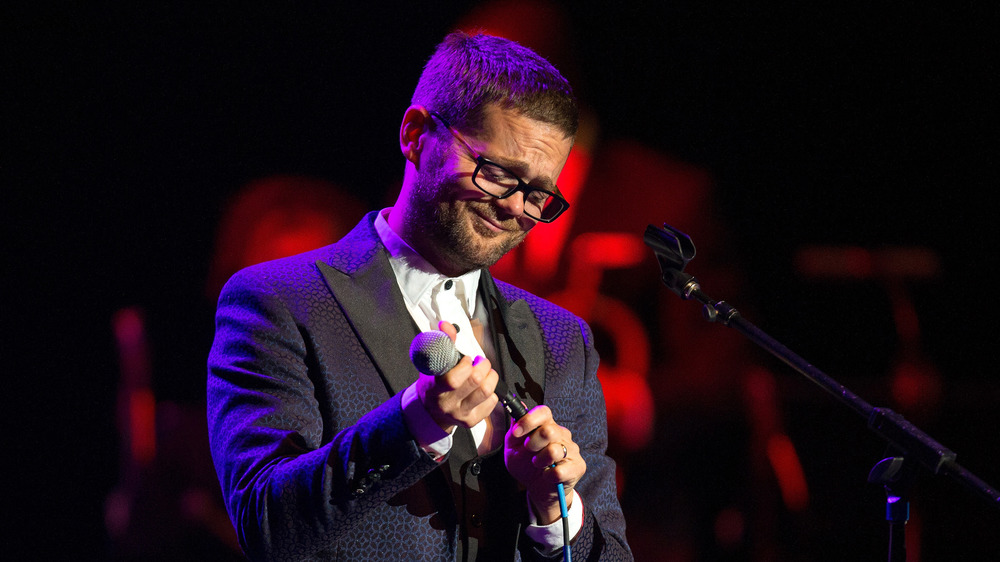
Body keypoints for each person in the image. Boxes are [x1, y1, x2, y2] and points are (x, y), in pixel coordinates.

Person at [207, 31, 632, 561]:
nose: (516, 208)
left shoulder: (564, 339)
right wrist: (415, 424)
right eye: (498, 173)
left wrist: (554, 514)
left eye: (539, 193)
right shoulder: (279, 302)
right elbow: (266, 525)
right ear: (415, 133)